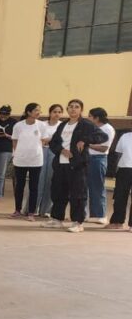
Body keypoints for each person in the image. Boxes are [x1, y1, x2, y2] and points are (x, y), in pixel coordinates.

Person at [42, 99, 106, 234]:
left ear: (81, 110)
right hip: (60, 164)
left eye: (76, 107)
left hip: (77, 165)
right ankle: (57, 219)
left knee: (78, 194)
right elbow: (54, 142)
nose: (73, 109)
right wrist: (61, 150)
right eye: (70, 106)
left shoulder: (86, 124)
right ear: (67, 109)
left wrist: (85, 140)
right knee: (58, 192)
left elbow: (103, 136)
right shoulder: (63, 124)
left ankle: (78, 222)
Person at [10, 103, 46, 221]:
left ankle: (31, 212)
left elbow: (44, 140)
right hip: (20, 160)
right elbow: (14, 141)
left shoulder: (41, 125)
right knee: (19, 186)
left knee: (33, 187)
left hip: (36, 160)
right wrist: (16, 154)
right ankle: (17, 210)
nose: (38, 112)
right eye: (36, 110)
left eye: (39, 110)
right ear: (28, 112)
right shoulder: (18, 125)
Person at [34, 104, 64, 217]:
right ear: (50, 113)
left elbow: (60, 140)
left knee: (50, 181)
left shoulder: (62, 125)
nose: (57, 114)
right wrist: (49, 139)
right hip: (41, 151)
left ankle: (46, 210)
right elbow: (39, 138)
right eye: (55, 112)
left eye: (59, 112)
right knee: (39, 180)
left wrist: (49, 139)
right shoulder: (42, 124)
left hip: (55, 152)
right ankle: (32, 208)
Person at [85, 107, 113, 225]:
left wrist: (87, 144)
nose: (88, 118)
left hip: (98, 159)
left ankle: (101, 215)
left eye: (90, 116)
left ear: (97, 118)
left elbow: (103, 148)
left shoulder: (107, 129)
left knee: (97, 187)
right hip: (85, 158)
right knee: (83, 187)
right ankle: (84, 213)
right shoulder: (90, 127)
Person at [107, 131, 132, 230]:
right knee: (119, 196)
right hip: (124, 169)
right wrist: (114, 170)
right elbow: (118, 153)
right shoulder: (125, 136)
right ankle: (117, 222)